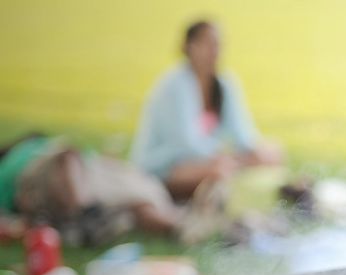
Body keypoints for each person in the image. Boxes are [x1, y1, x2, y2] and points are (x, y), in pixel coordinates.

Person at [131, 20, 282, 201]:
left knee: (272, 153)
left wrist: (256, 152)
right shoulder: (174, 86)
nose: (214, 51)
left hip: (208, 160)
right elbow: (184, 144)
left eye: (217, 45)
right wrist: (224, 157)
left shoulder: (225, 84)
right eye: (207, 44)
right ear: (189, 47)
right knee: (219, 172)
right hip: (165, 167)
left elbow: (242, 134)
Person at [0, 133, 181, 245]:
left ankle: (86, 208)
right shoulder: (32, 148)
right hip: (77, 176)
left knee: (132, 206)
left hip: (77, 180)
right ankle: (177, 223)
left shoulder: (11, 166)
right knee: (134, 202)